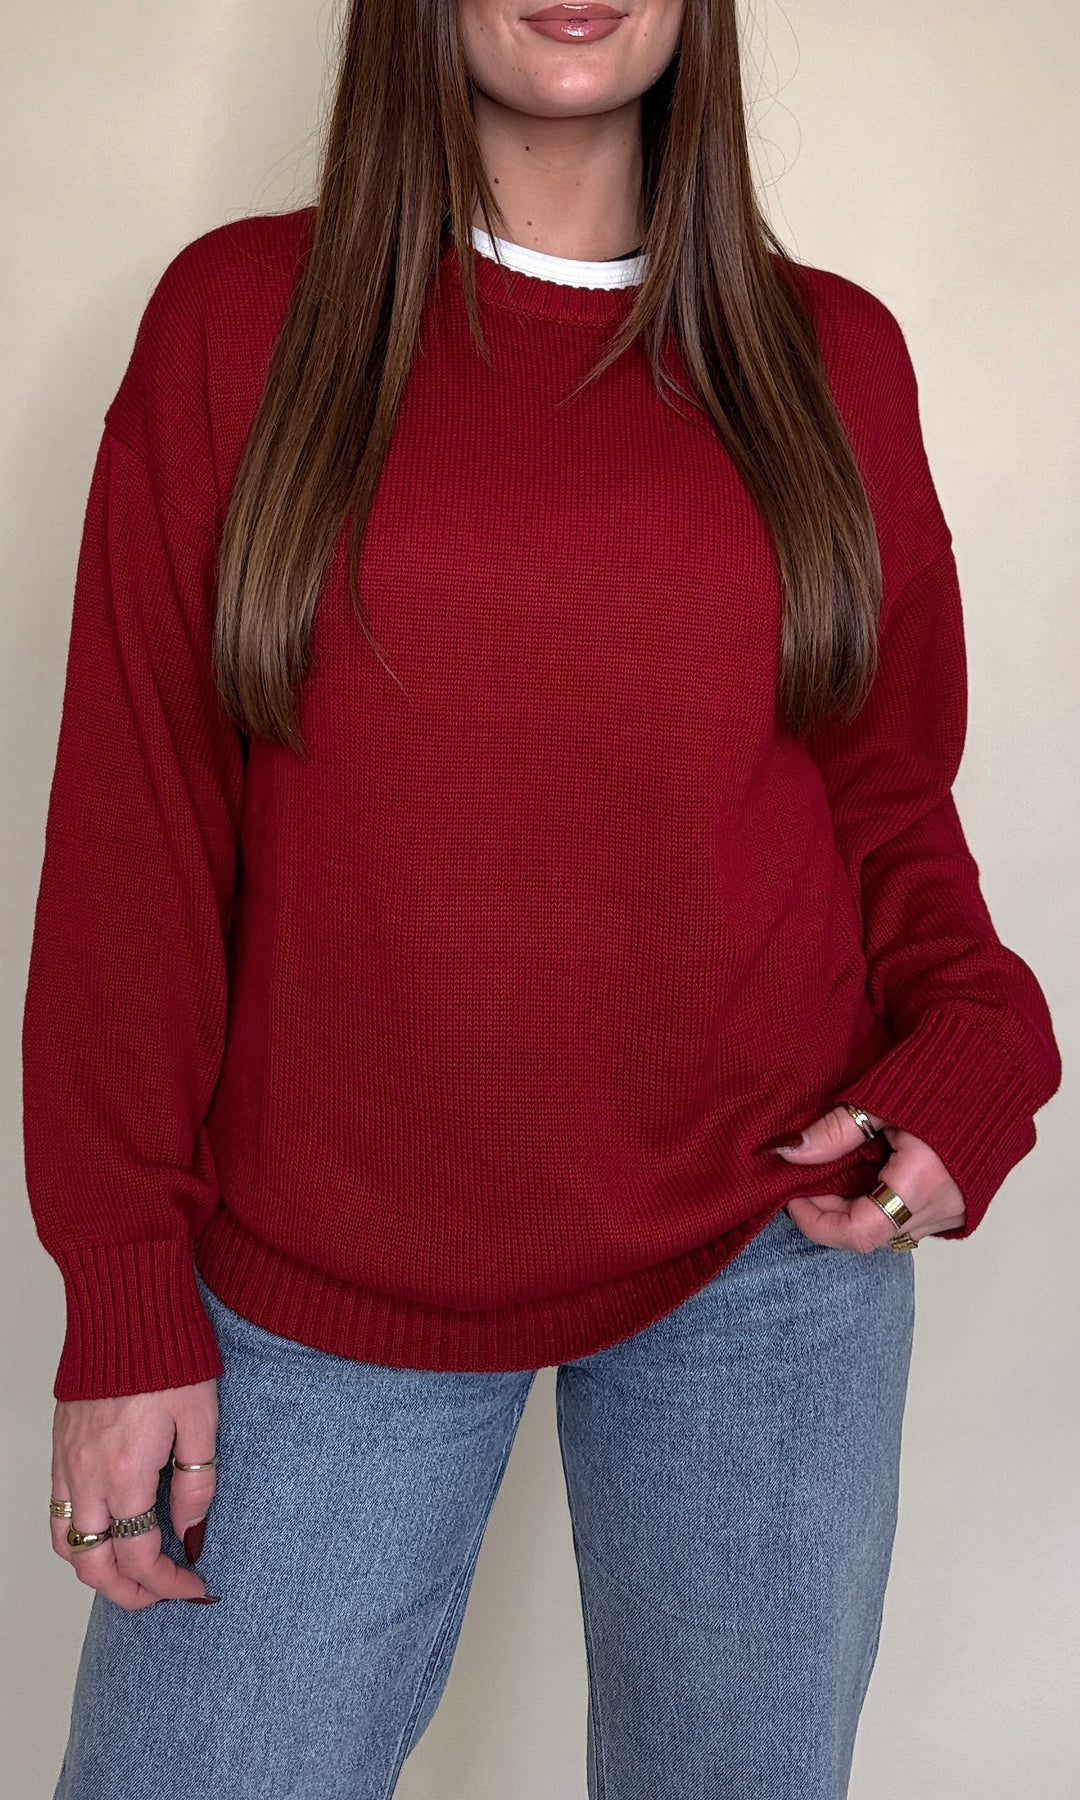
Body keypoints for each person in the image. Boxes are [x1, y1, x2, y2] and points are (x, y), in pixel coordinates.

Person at [21, 1, 1061, 1796]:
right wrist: (122, 1289)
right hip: (326, 1259)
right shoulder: (238, 323)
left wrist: (979, 1043)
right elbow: (140, 838)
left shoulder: (829, 357)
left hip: (765, 1247)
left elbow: (886, 789)